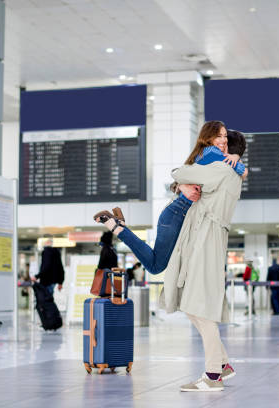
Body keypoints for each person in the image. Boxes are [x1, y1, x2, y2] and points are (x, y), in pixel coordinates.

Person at [93, 121, 247, 275]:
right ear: (208, 138)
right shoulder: (213, 153)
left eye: (225, 136)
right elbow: (243, 172)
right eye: (218, 136)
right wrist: (235, 157)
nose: (223, 140)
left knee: (166, 263)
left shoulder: (205, 156)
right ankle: (117, 227)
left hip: (179, 214)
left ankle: (120, 227)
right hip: (177, 215)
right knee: (156, 266)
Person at [158, 130, 247, 392]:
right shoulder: (228, 170)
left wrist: (190, 169)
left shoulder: (222, 168)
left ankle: (213, 376)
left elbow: (181, 173)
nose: (218, 146)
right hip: (205, 237)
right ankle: (223, 365)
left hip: (206, 238)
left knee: (200, 307)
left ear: (231, 150)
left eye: (223, 143)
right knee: (191, 304)